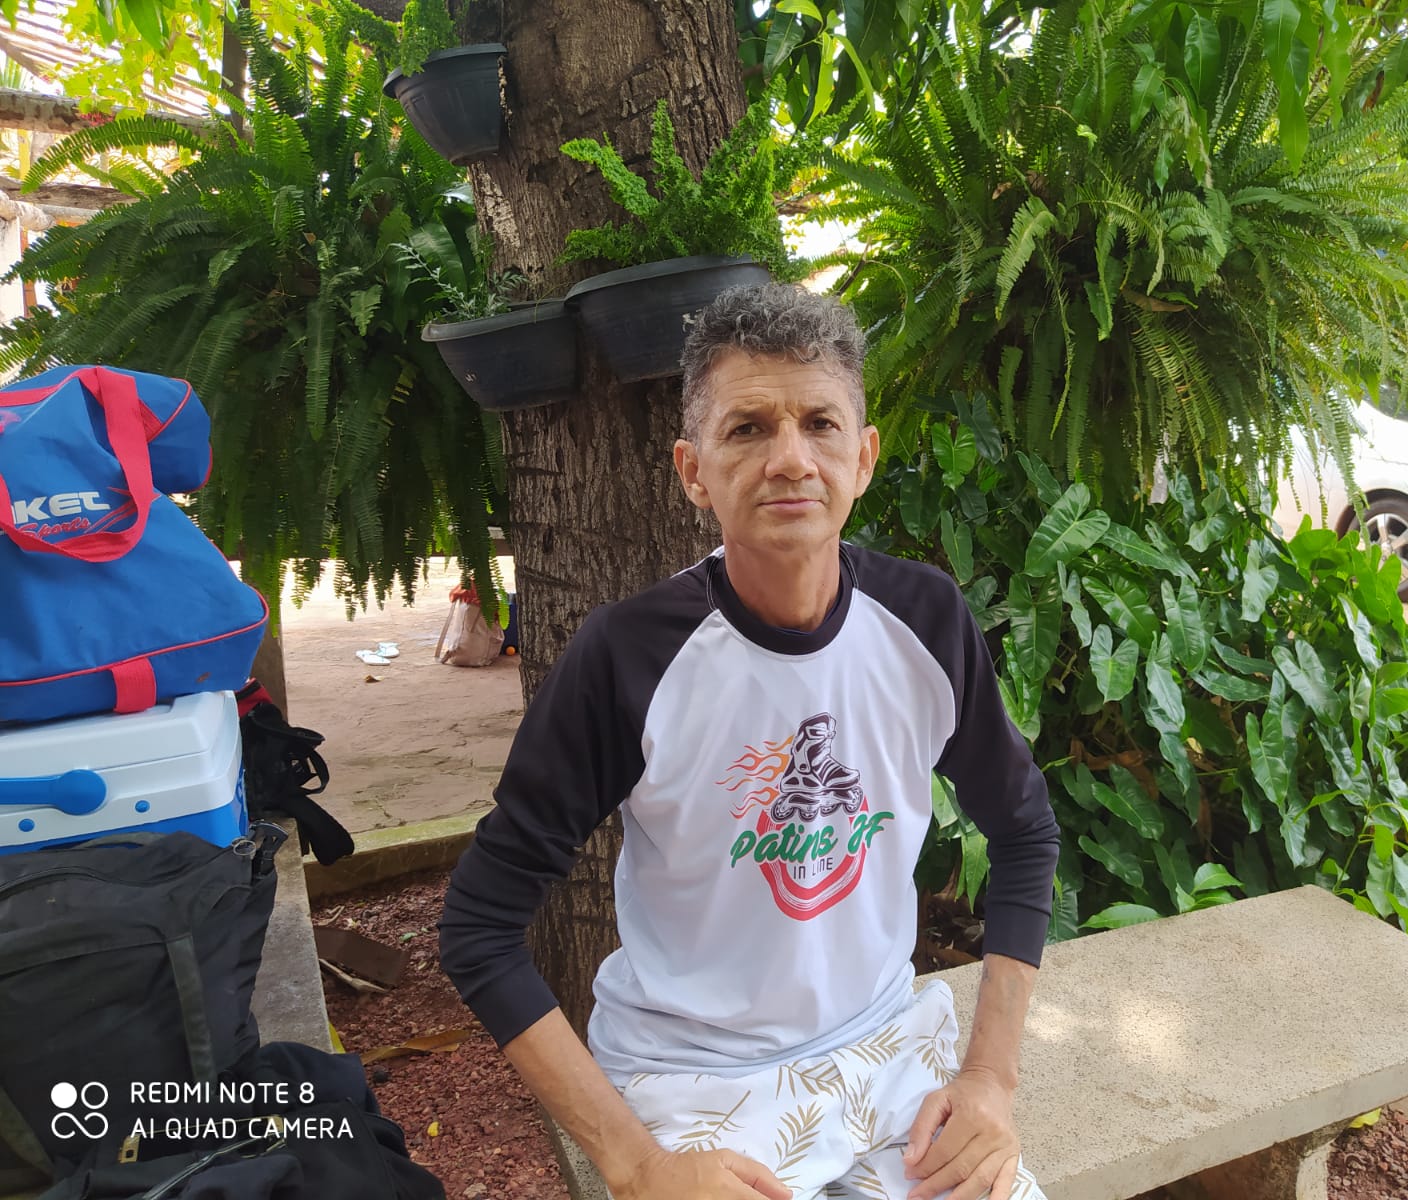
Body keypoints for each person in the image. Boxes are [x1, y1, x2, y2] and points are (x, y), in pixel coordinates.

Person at [439, 284, 1061, 1200]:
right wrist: (635, 1165)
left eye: (820, 424)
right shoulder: (630, 658)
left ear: (863, 458)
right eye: (748, 429)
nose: (791, 459)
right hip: (689, 1077)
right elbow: (478, 928)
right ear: (693, 472)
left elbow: (1024, 830)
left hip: (887, 1053)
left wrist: (991, 1080)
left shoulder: (925, 622)